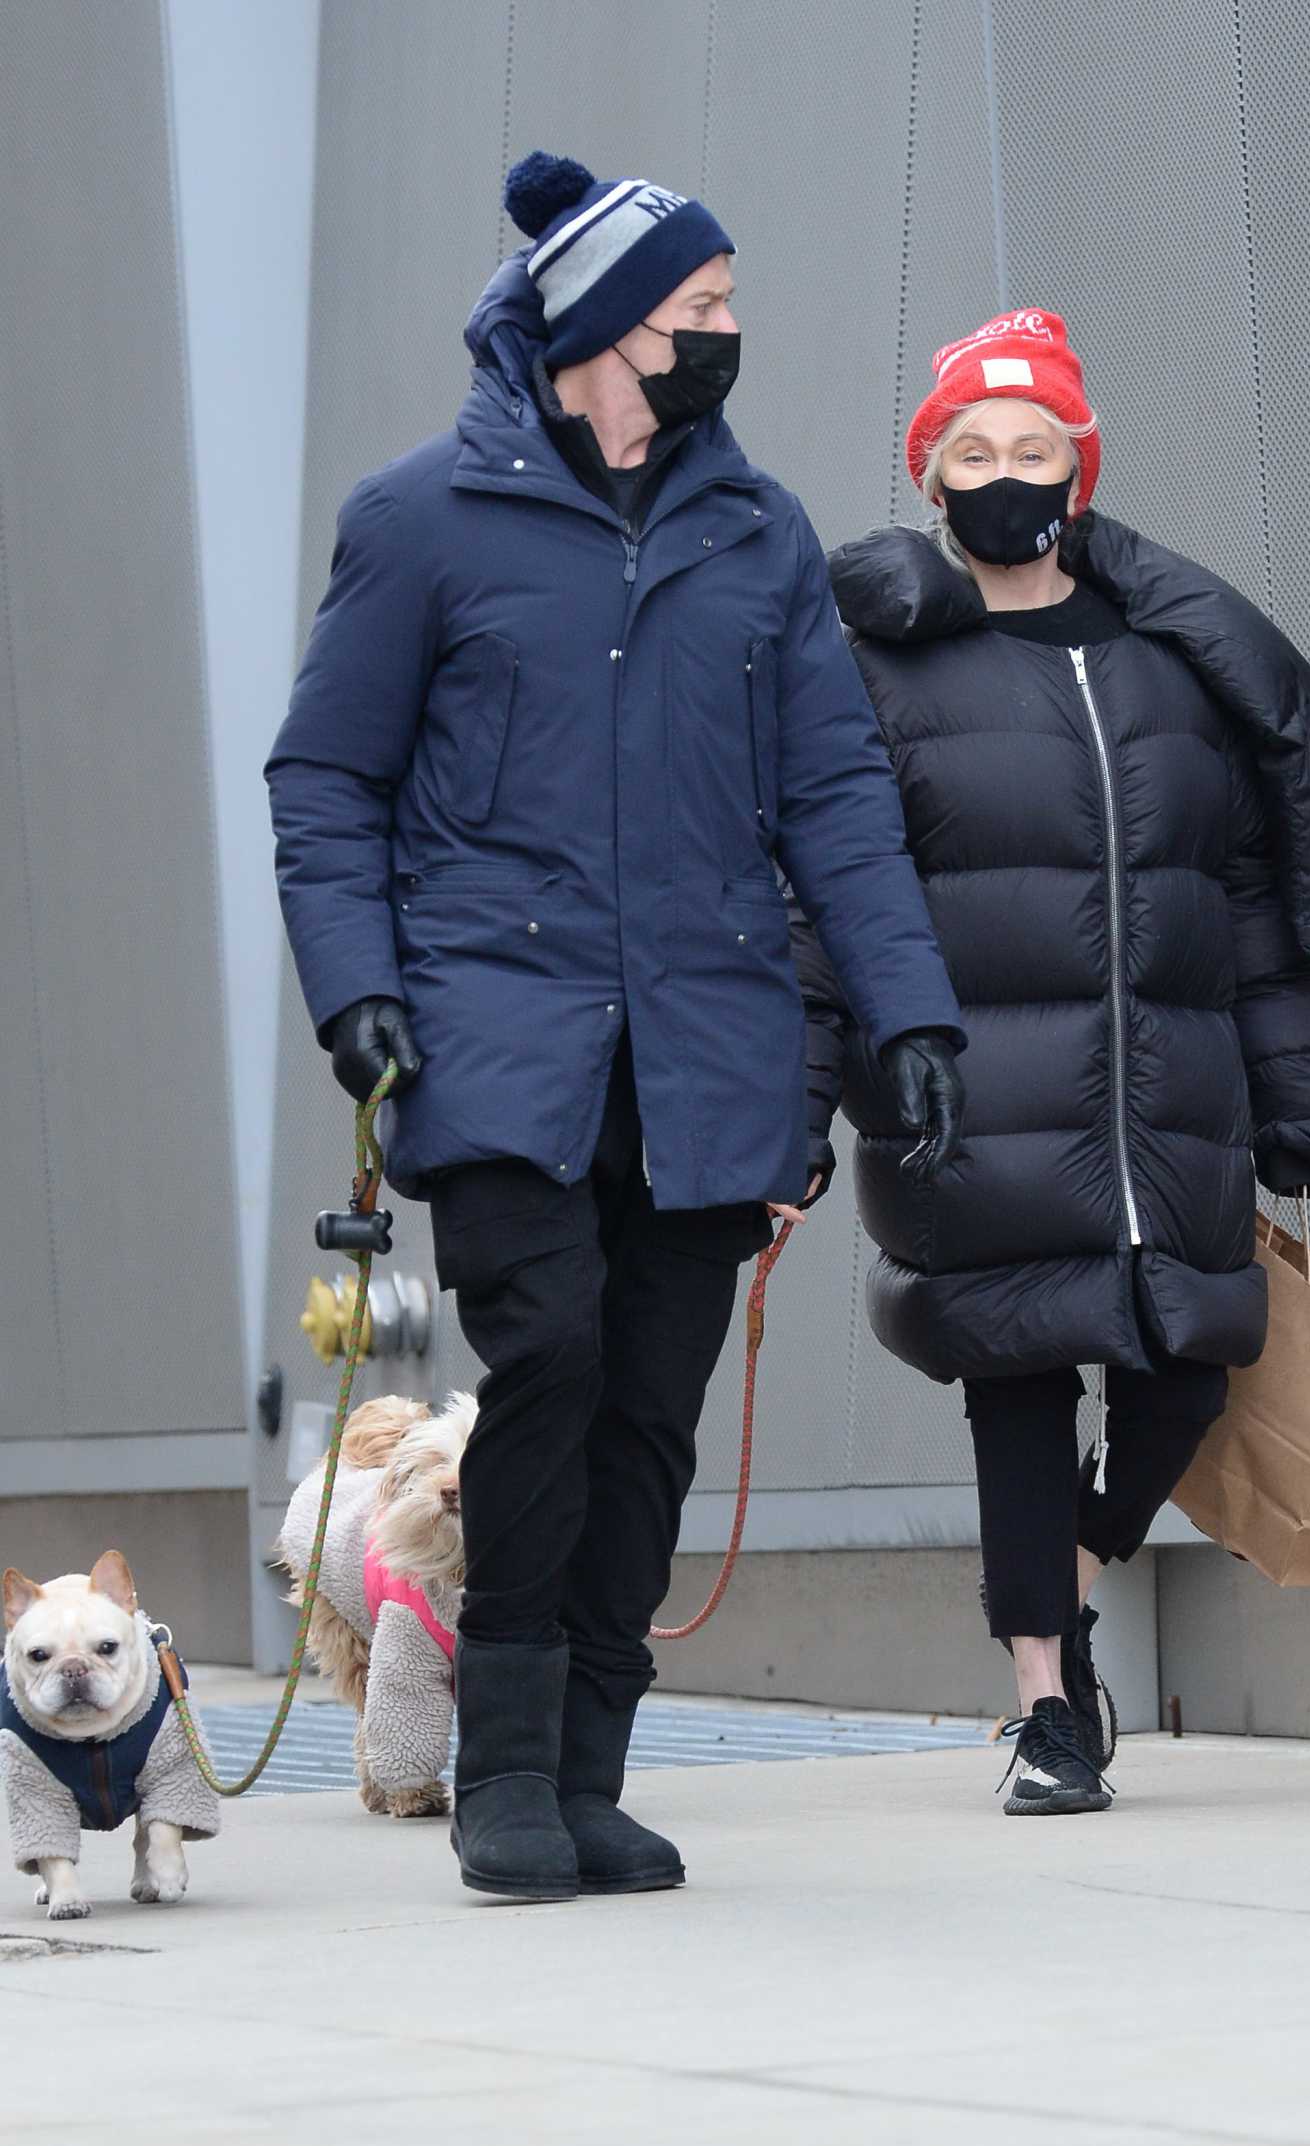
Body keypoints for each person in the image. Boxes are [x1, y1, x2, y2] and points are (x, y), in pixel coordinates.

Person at [265, 152, 966, 1901]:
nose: (730, 337)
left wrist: (910, 1008)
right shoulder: (421, 518)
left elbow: (837, 800)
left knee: (651, 1403)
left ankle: (590, 1765)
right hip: (495, 1030)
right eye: (701, 310)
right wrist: (357, 982)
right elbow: (326, 779)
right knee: (552, 1355)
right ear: (598, 326)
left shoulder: (759, 533)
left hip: (708, 1047)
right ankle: (500, 1757)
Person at [793, 308, 1310, 1815]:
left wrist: (1308, 1084)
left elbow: (1252, 900)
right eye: (972, 451)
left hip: (1172, 1099)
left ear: (1080, 466)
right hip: (976, 1104)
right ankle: (1047, 1702)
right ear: (932, 480)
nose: (1004, 473)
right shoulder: (877, 670)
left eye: (1032, 446)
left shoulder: (1176, 667)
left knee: (1188, 1366)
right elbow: (817, 908)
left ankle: (1070, 1564)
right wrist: (787, 1120)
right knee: (1019, 1384)